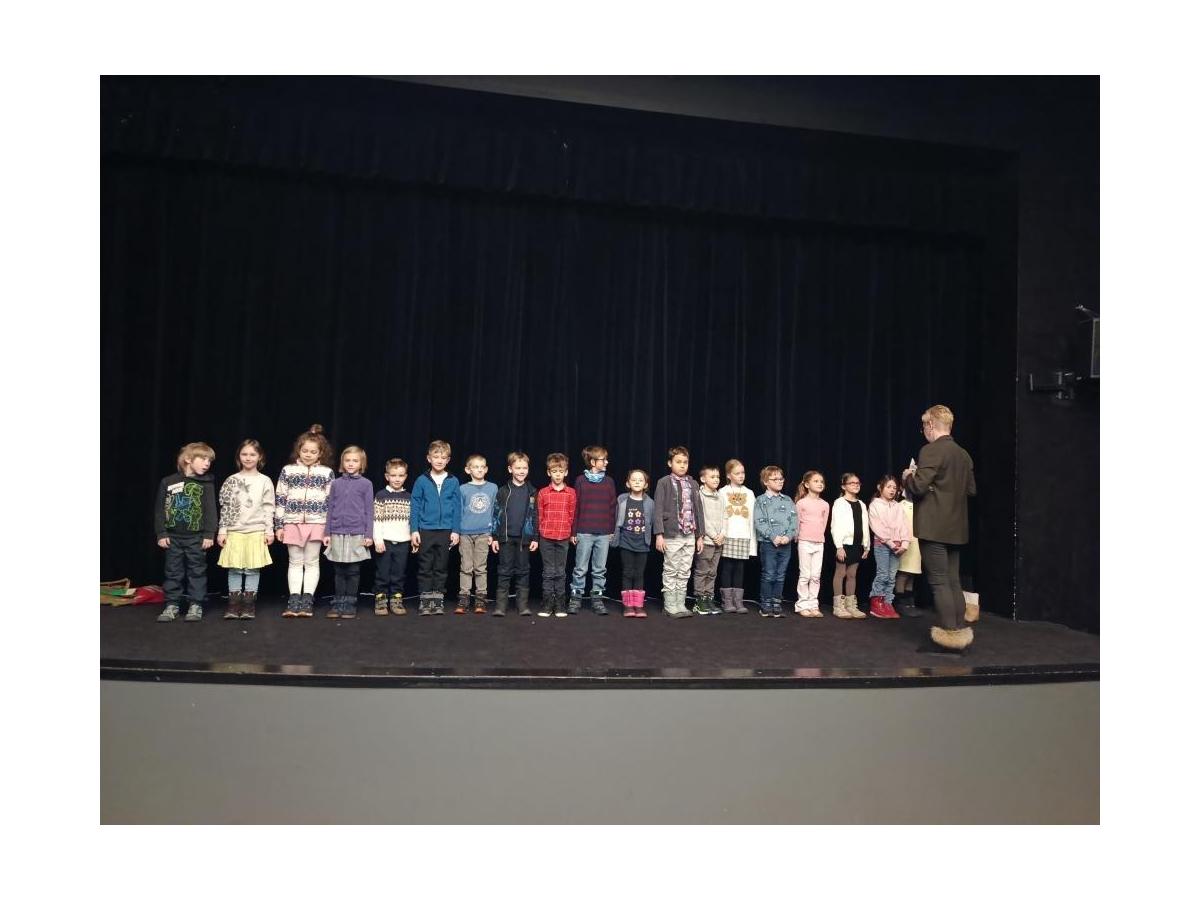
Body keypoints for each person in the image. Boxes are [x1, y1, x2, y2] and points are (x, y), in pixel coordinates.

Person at [903, 404, 978, 653]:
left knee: (939, 581)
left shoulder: (931, 450)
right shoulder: (963, 454)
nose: (923, 430)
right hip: (956, 526)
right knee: (953, 580)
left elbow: (918, 486)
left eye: (924, 425)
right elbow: (971, 489)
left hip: (934, 525)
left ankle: (949, 638)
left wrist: (907, 477)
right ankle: (958, 632)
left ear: (931, 425)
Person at [275, 424, 335, 618]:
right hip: (292, 522)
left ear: (320, 453)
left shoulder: (327, 473)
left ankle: (307, 600)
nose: (308, 455)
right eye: (305, 451)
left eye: (313, 452)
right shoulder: (288, 471)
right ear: (298, 450)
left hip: (317, 523)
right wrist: (279, 525)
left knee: (311, 561)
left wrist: (328, 529)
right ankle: (294, 599)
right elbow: (280, 498)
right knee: (294, 562)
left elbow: (331, 502)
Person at [154, 441, 218, 622]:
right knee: (173, 571)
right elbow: (160, 510)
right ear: (188, 459)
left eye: (209, 461)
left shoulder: (206, 483)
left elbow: (210, 510)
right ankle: (172, 604)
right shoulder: (168, 482)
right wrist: (161, 533)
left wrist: (209, 534)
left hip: (196, 537)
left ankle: (196, 604)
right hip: (173, 537)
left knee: (197, 571)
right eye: (203, 459)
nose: (207, 463)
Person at [216, 439, 274, 620]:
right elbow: (225, 507)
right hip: (234, 531)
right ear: (239, 457)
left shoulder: (265, 481)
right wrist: (223, 530)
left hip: (256, 530)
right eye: (244, 454)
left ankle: (249, 605)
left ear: (259, 457)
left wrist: (269, 530)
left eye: (252, 454)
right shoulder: (231, 480)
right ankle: (234, 605)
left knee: (252, 569)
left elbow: (268, 507)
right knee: (234, 569)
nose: (248, 458)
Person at [653, 446, 706, 619]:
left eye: (685, 462)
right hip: (672, 534)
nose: (682, 465)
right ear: (670, 463)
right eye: (678, 462)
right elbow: (658, 509)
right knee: (671, 569)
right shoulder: (664, 482)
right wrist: (659, 534)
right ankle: (670, 605)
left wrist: (700, 536)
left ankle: (680, 604)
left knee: (684, 570)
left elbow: (698, 510)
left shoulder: (693, 483)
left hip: (689, 534)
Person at [410, 440, 461, 616]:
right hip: (426, 529)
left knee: (441, 566)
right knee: (425, 566)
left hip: (445, 530)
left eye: (443, 457)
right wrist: (414, 530)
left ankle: (437, 599)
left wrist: (455, 530)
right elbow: (415, 506)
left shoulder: (453, 481)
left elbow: (457, 507)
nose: (439, 460)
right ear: (429, 458)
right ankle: (425, 600)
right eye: (436, 456)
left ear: (448, 460)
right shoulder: (421, 480)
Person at [323, 445, 374, 619]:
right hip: (337, 532)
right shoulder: (336, 484)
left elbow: (369, 511)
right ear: (342, 462)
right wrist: (327, 532)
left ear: (361, 463)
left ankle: (350, 603)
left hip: (357, 533)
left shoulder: (366, 484)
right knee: (339, 571)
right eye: (347, 460)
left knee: (353, 571)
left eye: (355, 461)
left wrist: (368, 535)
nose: (351, 463)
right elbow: (330, 508)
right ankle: (338, 603)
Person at [570, 445, 618, 615]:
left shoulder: (609, 482)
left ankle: (597, 600)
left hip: (603, 533)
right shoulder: (580, 481)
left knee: (599, 569)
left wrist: (611, 530)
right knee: (580, 569)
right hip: (584, 532)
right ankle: (575, 599)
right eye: (603, 460)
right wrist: (573, 532)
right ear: (592, 462)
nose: (606, 462)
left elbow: (613, 507)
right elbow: (576, 507)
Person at [490, 451, 539, 616]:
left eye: (524, 468)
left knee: (523, 571)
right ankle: (500, 606)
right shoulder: (503, 491)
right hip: (505, 538)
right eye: (518, 468)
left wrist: (535, 537)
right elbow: (496, 514)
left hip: (524, 539)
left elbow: (535, 516)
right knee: (504, 571)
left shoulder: (532, 491)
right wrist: (495, 537)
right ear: (510, 469)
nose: (521, 471)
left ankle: (522, 606)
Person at [753, 465, 796, 618]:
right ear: (766, 482)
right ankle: (766, 603)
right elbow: (759, 522)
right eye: (775, 479)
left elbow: (794, 522)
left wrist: (788, 537)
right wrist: (773, 537)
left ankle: (776, 602)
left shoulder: (788, 500)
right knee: (769, 574)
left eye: (781, 478)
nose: (779, 481)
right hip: (768, 544)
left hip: (786, 544)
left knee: (780, 575)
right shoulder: (761, 500)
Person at [537, 452, 576, 617]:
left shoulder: (571, 493)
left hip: (563, 537)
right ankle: (547, 604)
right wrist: (539, 533)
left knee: (560, 571)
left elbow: (572, 515)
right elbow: (539, 516)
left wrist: (570, 532)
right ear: (549, 473)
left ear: (566, 472)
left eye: (561, 471)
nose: (558, 475)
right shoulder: (543, 493)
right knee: (548, 571)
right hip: (546, 537)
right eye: (554, 471)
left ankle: (560, 605)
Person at [457, 454, 497, 614]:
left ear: (486, 469)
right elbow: (459, 511)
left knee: (480, 567)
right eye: (475, 467)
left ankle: (480, 600)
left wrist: (492, 533)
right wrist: (457, 532)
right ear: (468, 470)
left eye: (482, 467)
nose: (479, 470)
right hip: (465, 533)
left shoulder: (493, 488)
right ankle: (464, 599)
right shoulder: (462, 489)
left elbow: (495, 512)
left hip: (484, 533)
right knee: (466, 567)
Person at [867, 474, 911, 620]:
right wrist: (891, 544)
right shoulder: (875, 505)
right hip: (883, 545)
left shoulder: (898, 506)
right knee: (883, 575)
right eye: (889, 487)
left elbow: (904, 525)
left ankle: (887, 603)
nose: (892, 490)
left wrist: (905, 544)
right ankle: (876, 603)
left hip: (898, 547)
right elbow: (878, 528)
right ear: (880, 488)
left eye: (894, 487)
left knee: (892, 577)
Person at [372, 458, 412, 616]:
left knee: (399, 573)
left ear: (405, 476)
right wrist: (378, 540)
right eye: (393, 475)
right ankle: (380, 600)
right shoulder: (381, 495)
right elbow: (376, 520)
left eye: (401, 475)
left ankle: (396, 600)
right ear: (387, 476)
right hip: (385, 542)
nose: (397, 479)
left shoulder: (409, 497)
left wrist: (412, 538)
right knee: (382, 573)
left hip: (403, 542)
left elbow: (411, 521)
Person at [717, 459, 756, 614]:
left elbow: (752, 518)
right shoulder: (722, 492)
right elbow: (719, 516)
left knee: (740, 568)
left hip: (743, 536)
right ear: (729, 475)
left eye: (743, 473)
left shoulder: (749, 493)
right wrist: (721, 534)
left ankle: (738, 601)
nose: (741, 476)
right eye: (737, 473)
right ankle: (726, 601)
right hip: (728, 535)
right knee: (727, 567)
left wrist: (752, 543)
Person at [614, 469, 654, 618]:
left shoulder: (650, 503)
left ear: (646, 485)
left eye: (640, 480)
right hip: (626, 542)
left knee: (639, 574)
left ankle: (638, 605)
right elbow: (616, 520)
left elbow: (652, 523)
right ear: (628, 483)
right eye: (634, 480)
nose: (637, 482)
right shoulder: (622, 499)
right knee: (627, 572)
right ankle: (628, 605)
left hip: (642, 543)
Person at [793, 470, 829, 618]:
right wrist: (797, 538)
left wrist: (819, 537)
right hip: (804, 541)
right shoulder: (801, 503)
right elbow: (797, 523)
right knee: (805, 575)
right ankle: (802, 605)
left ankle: (813, 604)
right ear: (807, 484)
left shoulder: (825, 504)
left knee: (815, 576)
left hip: (819, 543)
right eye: (816, 481)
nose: (820, 483)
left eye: (821, 481)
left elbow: (824, 524)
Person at [693, 465, 727, 615]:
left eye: (718, 477)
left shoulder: (721, 496)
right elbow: (702, 519)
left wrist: (723, 533)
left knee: (712, 572)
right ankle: (699, 601)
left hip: (719, 541)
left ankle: (709, 599)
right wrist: (714, 535)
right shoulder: (699, 496)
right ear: (703, 479)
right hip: (707, 541)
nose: (716, 479)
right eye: (712, 477)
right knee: (702, 571)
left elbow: (725, 516)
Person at [893, 485, 923, 617]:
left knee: (912, 573)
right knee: (903, 572)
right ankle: (900, 602)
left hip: (917, 542)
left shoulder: (920, 505)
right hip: (905, 542)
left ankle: (910, 602)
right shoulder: (901, 506)